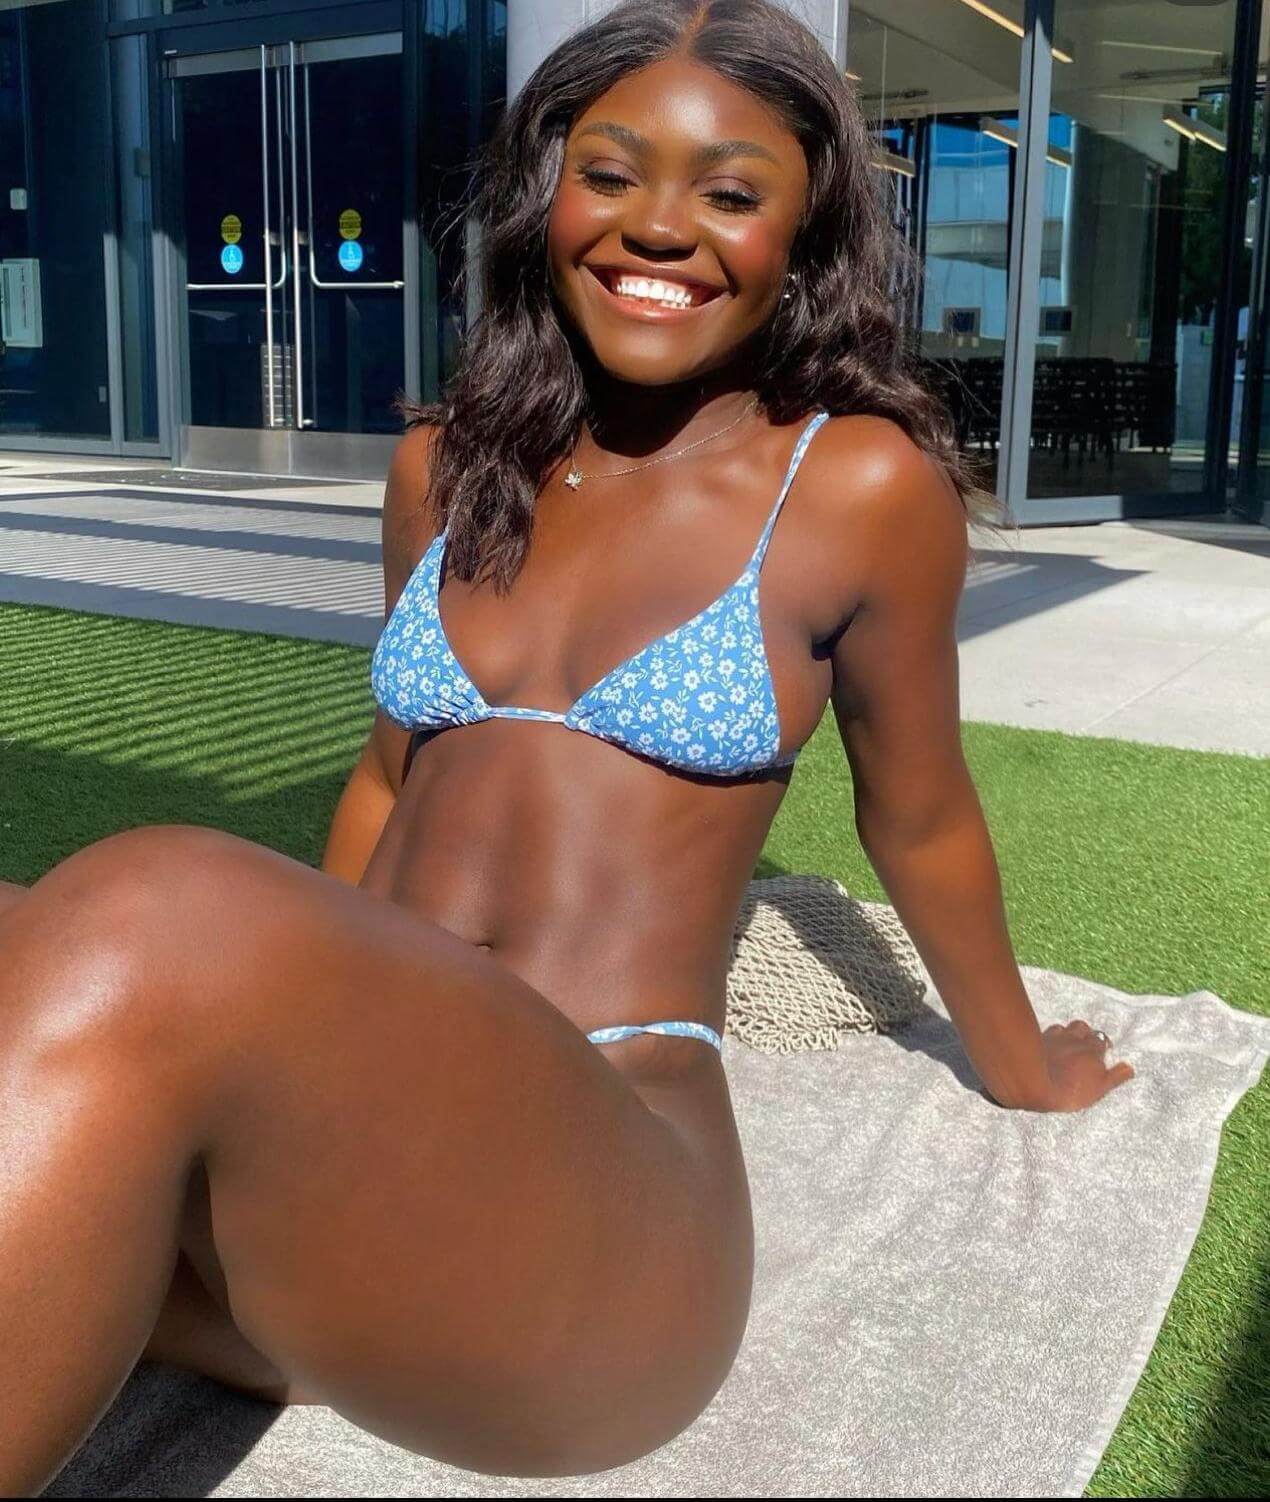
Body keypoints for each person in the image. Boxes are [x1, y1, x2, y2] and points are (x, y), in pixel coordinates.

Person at [0, 0, 1134, 1491]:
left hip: (606, 1208)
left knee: (153, 901)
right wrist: (274, 1014)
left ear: (805, 235)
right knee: (62, 934)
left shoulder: (855, 486)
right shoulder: (448, 463)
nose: (659, 226)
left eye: (729, 193)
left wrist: (1024, 1065)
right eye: (611, 173)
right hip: (363, 1176)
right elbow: (389, 777)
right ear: (547, 197)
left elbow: (916, 818)